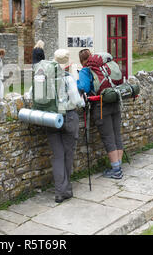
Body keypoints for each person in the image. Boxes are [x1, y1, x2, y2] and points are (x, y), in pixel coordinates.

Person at [77, 49, 125, 179]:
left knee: (108, 137)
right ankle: (118, 166)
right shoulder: (104, 66)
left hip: (101, 106)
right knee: (116, 135)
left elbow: (85, 88)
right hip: (115, 100)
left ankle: (116, 171)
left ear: (82, 61)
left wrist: (77, 83)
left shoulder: (85, 70)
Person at [46, 49, 85, 203]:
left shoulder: (45, 78)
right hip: (68, 117)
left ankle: (59, 191)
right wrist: (82, 100)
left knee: (57, 156)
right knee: (68, 154)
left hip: (51, 119)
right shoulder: (68, 78)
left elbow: (31, 94)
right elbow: (76, 101)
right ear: (68, 63)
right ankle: (65, 190)